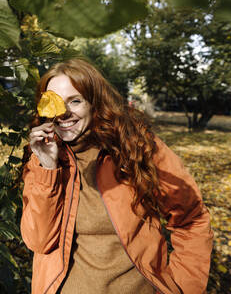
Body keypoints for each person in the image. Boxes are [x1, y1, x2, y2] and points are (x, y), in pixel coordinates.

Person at [21, 58, 213, 294]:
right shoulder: (42, 159)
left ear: (95, 103)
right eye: (55, 102)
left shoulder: (137, 147)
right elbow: (39, 241)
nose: (63, 113)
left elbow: (191, 220)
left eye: (75, 101)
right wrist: (48, 168)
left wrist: (183, 288)